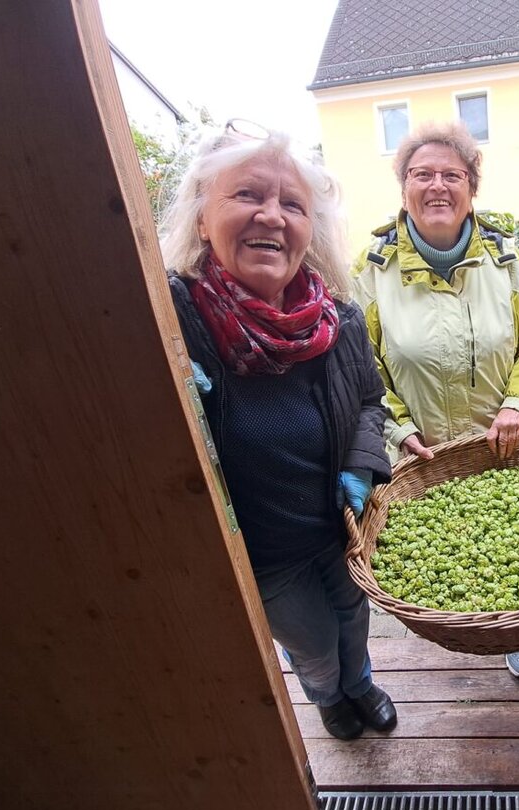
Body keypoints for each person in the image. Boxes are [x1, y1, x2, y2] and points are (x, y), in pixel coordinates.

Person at [160, 121, 397, 741]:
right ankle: (328, 696)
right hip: (263, 552)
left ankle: (363, 684)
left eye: (292, 204)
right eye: (247, 196)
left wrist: (360, 464)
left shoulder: (336, 317)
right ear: (201, 214)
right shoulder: (172, 317)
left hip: (338, 526)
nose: (272, 216)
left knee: (352, 613)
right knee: (312, 638)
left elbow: (370, 403)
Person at [350, 122, 519, 679]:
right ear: (404, 189)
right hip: (420, 455)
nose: (438, 186)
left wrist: (518, 406)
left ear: (472, 188)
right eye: (423, 174)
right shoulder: (373, 272)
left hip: (501, 447)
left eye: (453, 174)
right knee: (449, 558)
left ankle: (516, 628)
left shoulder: (506, 261)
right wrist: (397, 431)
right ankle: (458, 631)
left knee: (514, 548)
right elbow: (359, 368)